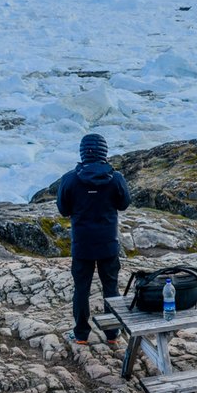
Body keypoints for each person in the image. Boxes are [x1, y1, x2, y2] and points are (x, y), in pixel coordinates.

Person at [56, 133, 131, 345]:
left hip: (82, 244)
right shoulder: (115, 178)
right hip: (108, 243)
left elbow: (63, 209)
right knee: (111, 288)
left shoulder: (70, 179)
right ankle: (112, 334)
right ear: (104, 152)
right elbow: (124, 203)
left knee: (81, 290)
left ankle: (81, 335)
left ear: (82, 151)